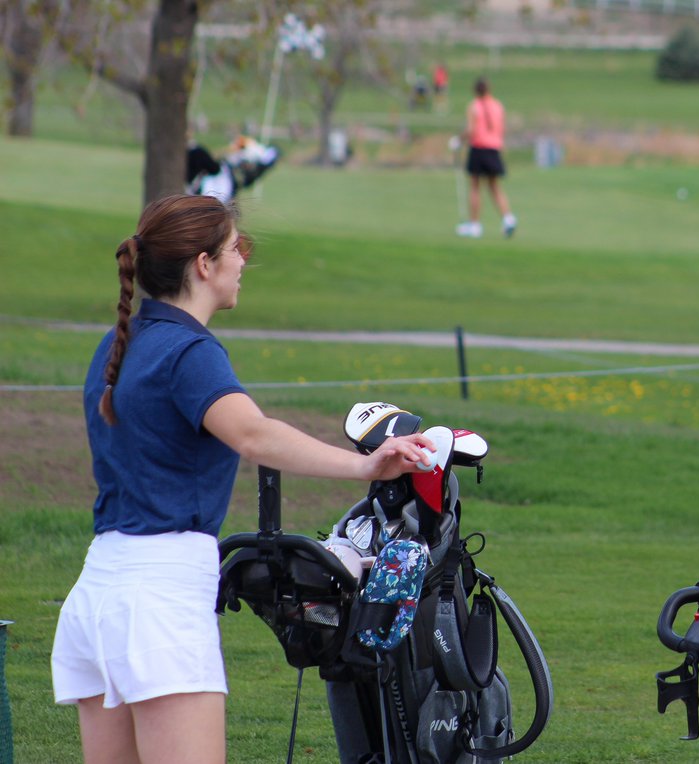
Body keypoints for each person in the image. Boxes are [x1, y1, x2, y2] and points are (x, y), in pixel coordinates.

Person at [50, 194, 436, 764]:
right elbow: (254, 435)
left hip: (98, 593)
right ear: (204, 264)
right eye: (237, 248)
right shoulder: (190, 350)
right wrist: (365, 464)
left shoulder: (119, 343)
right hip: (158, 599)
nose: (242, 263)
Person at [456, 77, 517, 239]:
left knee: (475, 186)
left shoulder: (474, 106)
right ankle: (508, 218)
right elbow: (500, 129)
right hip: (494, 149)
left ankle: (474, 225)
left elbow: (471, 130)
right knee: (494, 186)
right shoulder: (498, 106)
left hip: (478, 148)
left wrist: (458, 140)